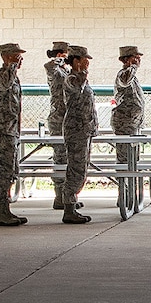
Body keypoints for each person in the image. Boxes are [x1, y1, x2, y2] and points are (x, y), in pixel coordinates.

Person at [0, 43, 29, 226]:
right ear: (6, 57)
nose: (19, 60)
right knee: (4, 170)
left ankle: (6, 209)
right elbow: (3, 85)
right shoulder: (1, 75)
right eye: (16, 57)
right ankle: (1, 210)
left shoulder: (14, 77)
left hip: (11, 129)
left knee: (12, 169)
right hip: (2, 129)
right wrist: (10, 66)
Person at [58, 44, 98, 225]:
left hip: (84, 129)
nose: (87, 62)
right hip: (76, 130)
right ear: (76, 61)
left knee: (81, 168)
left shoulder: (80, 78)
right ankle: (68, 208)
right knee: (75, 168)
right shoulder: (71, 78)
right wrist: (82, 72)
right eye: (84, 59)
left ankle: (71, 202)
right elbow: (77, 88)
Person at [109, 44, 145, 179]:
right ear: (127, 60)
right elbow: (125, 80)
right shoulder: (123, 74)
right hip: (125, 124)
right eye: (135, 58)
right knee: (124, 161)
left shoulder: (133, 76)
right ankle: (123, 193)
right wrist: (132, 66)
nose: (138, 61)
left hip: (133, 124)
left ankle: (132, 191)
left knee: (134, 160)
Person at [43, 40, 72, 208]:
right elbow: (48, 67)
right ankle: (59, 195)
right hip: (58, 120)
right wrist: (58, 59)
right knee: (60, 158)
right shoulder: (54, 70)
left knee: (69, 159)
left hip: (70, 120)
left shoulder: (66, 71)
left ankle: (68, 195)